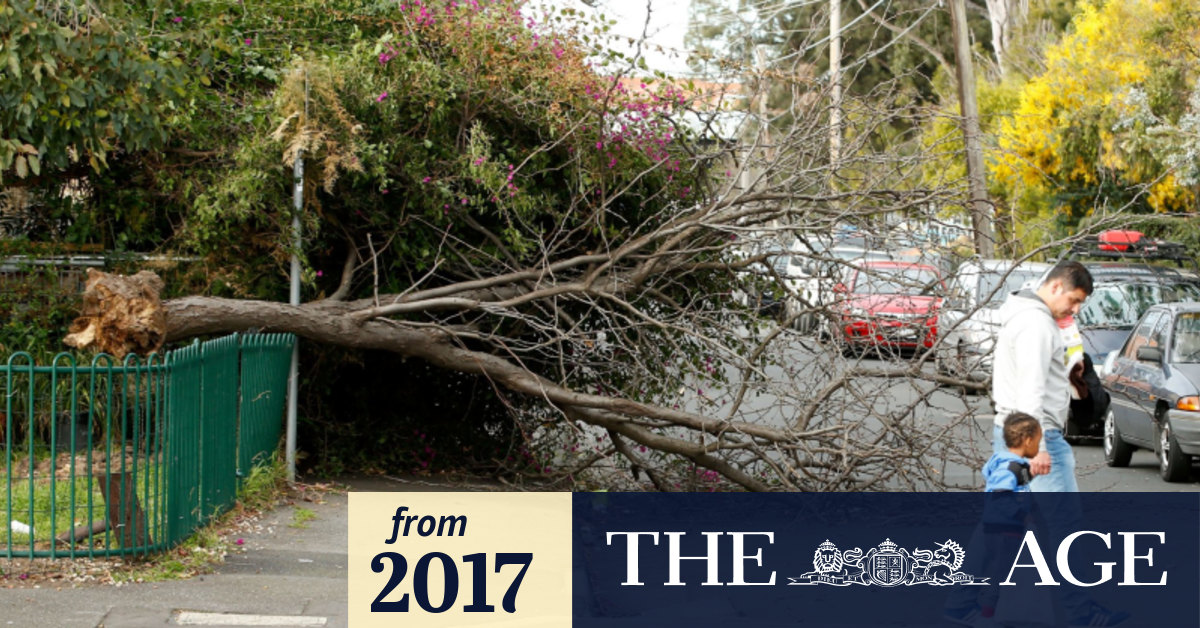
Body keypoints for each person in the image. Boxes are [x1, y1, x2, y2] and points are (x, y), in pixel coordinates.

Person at [991, 261, 1092, 492]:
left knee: (1011, 518)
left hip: (1009, 431)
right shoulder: (1037, 325)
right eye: (1074, 300)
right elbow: (1030, 389)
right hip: (1035, 434)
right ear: (1056, 287)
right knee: (1063, 521)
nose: (1076, 309)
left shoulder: (1022, 315)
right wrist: (1039, 447)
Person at [944, 412, 1040, 626]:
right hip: (1004, 529)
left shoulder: (1009, 464)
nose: (1039, 446)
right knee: (997, 575)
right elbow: (1002, 496)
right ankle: (985, 616)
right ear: (1027, 440)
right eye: (1038, 440)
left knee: (992, 571)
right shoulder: (1013, 467)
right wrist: (1023, 515)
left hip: (997, 527)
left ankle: (979, 610)